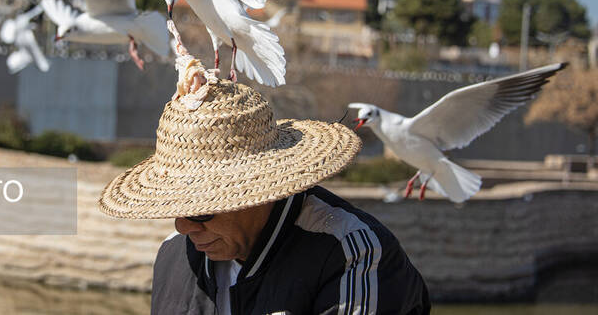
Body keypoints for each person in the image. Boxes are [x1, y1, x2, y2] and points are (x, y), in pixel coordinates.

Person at [100, 56, 430, 315]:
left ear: (256, 194)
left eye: (199, 211)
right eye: (176, 206)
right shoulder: (174, 256)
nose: (182, 226)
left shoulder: (350, 253)